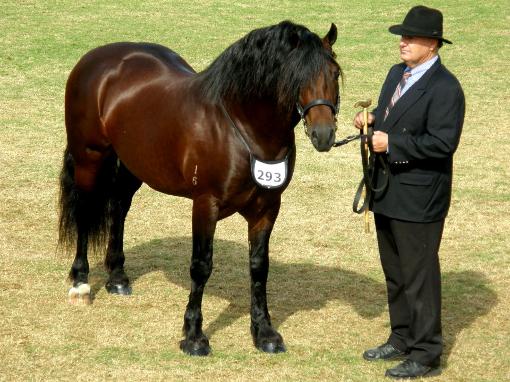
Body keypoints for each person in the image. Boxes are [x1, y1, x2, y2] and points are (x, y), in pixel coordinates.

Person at [352, 5, 465, 379]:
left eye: (411, 37)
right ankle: (400, 338)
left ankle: (426, 352)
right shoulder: (395, 74)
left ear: (432, 44)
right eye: (402, 36)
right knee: (395, 273)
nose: (402, 43)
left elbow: (443, 143)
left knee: (419, 277)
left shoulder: (446, 88)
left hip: (419, 197)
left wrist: (392, 144)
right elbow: (390, 119)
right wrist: (371, 122)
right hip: (386, 189)